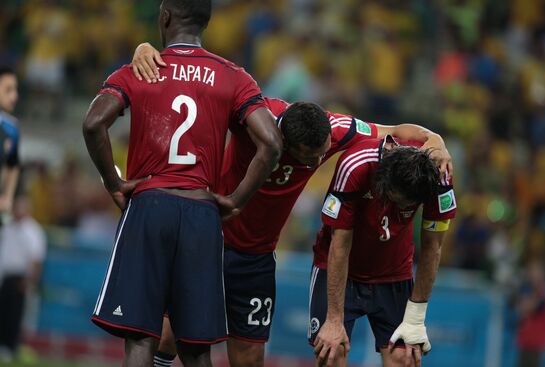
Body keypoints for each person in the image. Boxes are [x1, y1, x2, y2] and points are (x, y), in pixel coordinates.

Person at [132, 41, 453, 367]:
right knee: (170, 336)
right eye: (309, 156)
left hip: (256, 256)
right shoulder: (252, 118)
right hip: (208, 238)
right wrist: (148, 50)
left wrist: (435, 140)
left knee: (250, 356)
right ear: (283, 143)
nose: (317, 160)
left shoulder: (334, 129)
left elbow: (396, 131)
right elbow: (196, 87)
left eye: (323, 150)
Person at [82, 1, 282, 366]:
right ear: (205, 23)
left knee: (142, 339)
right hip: (201, 212)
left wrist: (115, 182)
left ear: (165, 17)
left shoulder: (141, 69)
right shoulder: (233, 75)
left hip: (149, 204)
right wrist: (236, 200)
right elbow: (271, 141)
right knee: (195, 347)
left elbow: (94, 123)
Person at [310, 136, 456, 367]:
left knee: (404, 357)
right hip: (341, 271)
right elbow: (339, 244)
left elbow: (433, 246)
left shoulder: (440, 174)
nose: (399, 210)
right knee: (331, 353)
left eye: (407, 206)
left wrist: (415, 320)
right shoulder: (356, 164)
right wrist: (334, 319)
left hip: (394, 272)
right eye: (394, 201)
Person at [0, 196, 47, 362]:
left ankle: (10, 347)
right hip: (5, 276)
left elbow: (36, 259)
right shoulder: (7, 227)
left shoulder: (33, 231)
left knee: (14, 315)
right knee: (3, 313)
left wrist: (29, 281)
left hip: (19, 278)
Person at [0, 67, 21, 215]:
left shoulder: (11, 128)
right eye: (8, 90)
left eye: (15, 90)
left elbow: (13, 165)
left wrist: (7, 198)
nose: (14, 96)